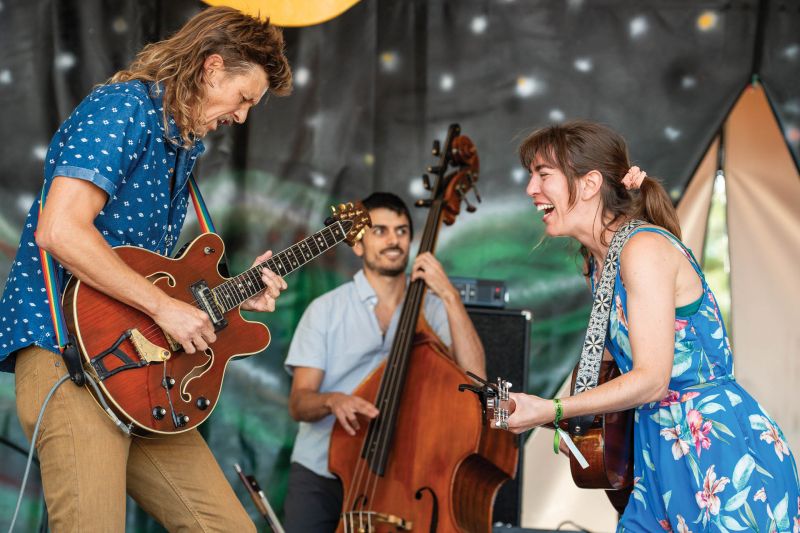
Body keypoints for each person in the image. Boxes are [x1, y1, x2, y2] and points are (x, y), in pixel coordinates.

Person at [0, 7, 292, 531]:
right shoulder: (122, 108)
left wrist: (232, 295)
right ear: (212, 67)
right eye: (244, 98)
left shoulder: (181, 146)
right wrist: (165, 308)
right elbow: (60, 231)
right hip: (70, 357)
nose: (243, 116)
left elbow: (148, 275)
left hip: (144, 373)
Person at [505, 120, 800, 531]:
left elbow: (652, 380)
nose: (531, 189)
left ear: (589, 184)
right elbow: (611, 365)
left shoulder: (642, 248)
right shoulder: (599, 263)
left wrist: (552, 410)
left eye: (543, 175)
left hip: (717, 450)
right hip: (657, 451)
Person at [282, 192, 486, 532]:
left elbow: (476, 377)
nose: (393, 240)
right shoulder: (325, 310)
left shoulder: (432, 307)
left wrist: (449, 295)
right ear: (358, 245)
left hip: (397, 473)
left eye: (402, 230)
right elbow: (299, 402)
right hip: (321, 470)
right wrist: (333, 400)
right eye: (380, 230)